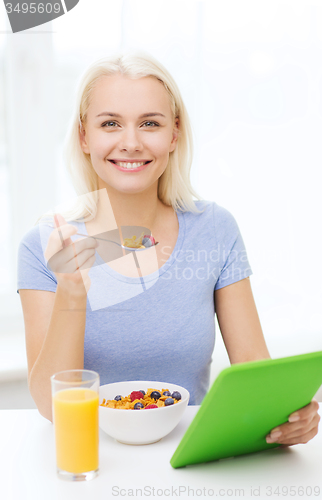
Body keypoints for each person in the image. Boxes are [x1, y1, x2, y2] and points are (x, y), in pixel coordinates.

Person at [17, 52, 319, 446]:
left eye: (150, 124)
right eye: (110, 123)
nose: (130, 143)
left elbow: (254, 373)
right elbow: (51, 406)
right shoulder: (45, 244)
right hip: (88, 460)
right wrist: (72, 289)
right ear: (84, 136)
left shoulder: (213, 229)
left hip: (196, 455)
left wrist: (286, 417)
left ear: (174, 134)